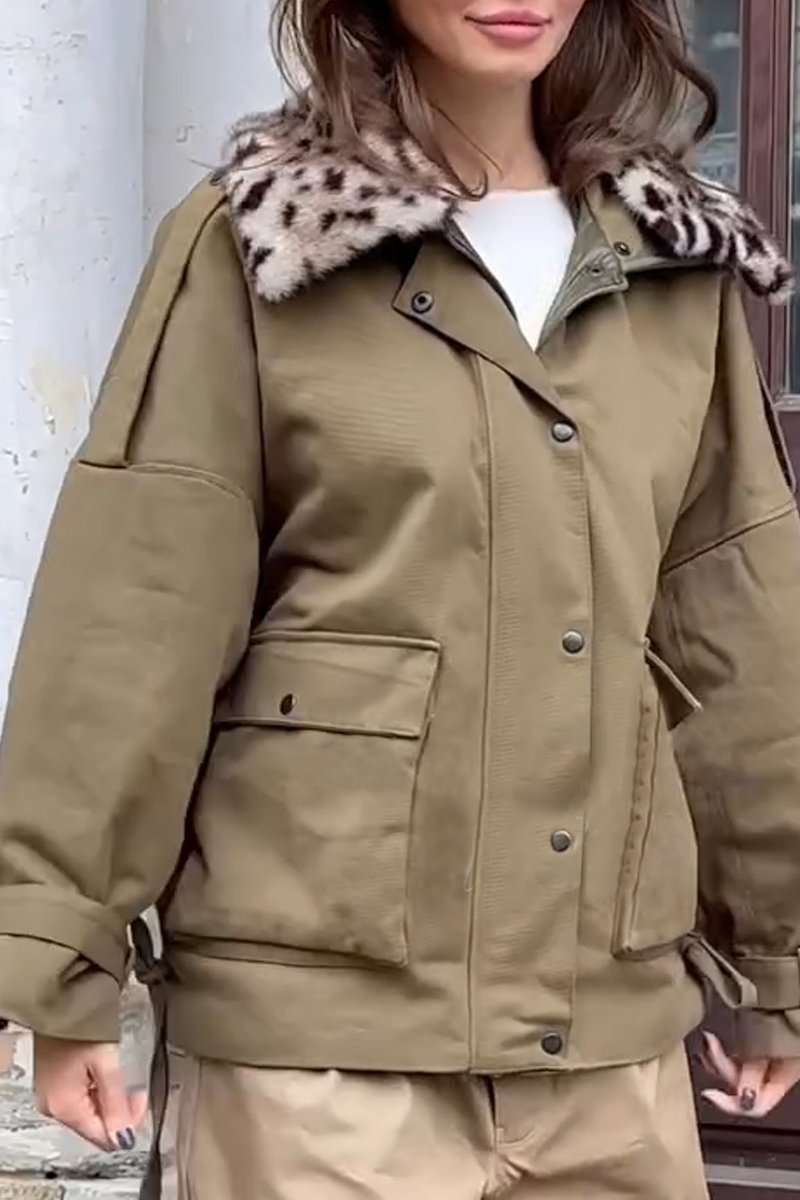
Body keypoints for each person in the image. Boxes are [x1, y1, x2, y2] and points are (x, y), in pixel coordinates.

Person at [2, 0, 800, 1195]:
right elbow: (138, 606)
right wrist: (57, 949)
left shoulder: (671, 266)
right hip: (317, 1059)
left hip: (606, 1053)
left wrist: (777, 954)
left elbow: (734, 620)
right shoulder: (254, 242)